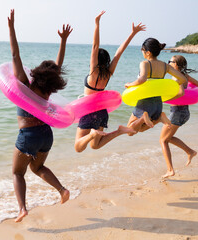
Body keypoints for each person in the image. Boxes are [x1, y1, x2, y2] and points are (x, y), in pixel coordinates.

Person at [8, 9, 71, 222]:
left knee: (18, 173)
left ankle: (23, 209)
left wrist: (11, 28)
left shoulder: (26, 86)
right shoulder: (48, 91)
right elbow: (58, 68)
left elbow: (15, 55)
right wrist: (63, 42)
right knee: (38, 167)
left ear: (36, 71)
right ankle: (62, 190)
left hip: (29, 135)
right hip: (46, 134)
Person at [74, 11, 145, 153]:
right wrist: (132, 34)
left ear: (96, 60)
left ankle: (93, 134)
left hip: (89, 110)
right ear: (106, 61)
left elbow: (95, 46)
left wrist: (97, 24)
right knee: (95, 145)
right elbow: (119, 52)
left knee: (78, 147)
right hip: (102, 111)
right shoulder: (108, 73)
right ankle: (119, 131)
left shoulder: (93, 72)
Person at [125, 38, 187, 133]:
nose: (142, 52)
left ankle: (144, 117)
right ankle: (160, 118)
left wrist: (130, 84)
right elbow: (183, 79)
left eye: (143, 50)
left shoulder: (145, 63)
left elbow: (142, 79)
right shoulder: (165, 66)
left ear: (148, 52)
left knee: (129, 131)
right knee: (140, 129)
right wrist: (167, 87)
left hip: (145, 101)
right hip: (158, 102)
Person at [159, 55, 198, 178]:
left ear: (176, 64)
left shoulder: (177, 77)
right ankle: (190, 152)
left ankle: (170, 170)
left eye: (170, 61)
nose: (169, 63)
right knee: (168, 138)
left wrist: (165, 98)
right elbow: (197, 83)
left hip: (177, 112)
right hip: (184, 112)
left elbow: (181, 93)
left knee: (163, 140)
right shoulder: (184, 76)